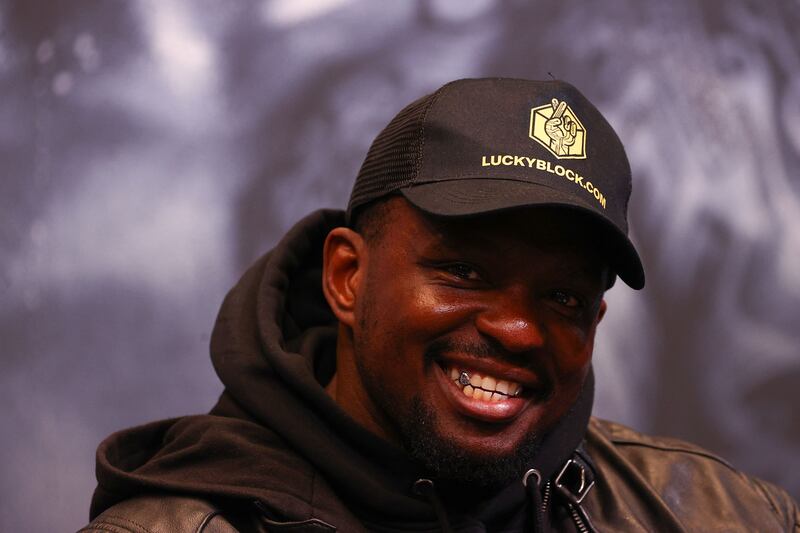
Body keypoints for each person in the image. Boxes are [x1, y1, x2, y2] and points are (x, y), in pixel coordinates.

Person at [80, 78, 799, 532]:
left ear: (595, 324)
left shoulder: (729, 514)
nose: (518, 328)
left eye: (561, 296)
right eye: (463, 270)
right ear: (347, 278)